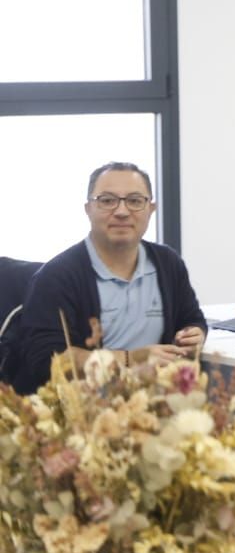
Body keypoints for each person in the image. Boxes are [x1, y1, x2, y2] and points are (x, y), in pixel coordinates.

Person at [11, 162, 206, 395]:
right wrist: (129, 359)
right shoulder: (57, 276)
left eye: (135, 201)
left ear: (151, 209)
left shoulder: (168, 263)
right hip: (82, 416)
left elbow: (191, 318)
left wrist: (194, 333)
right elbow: (48, 360)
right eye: (107, 200)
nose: (122, 211)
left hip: (154, 410)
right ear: (88, 209)